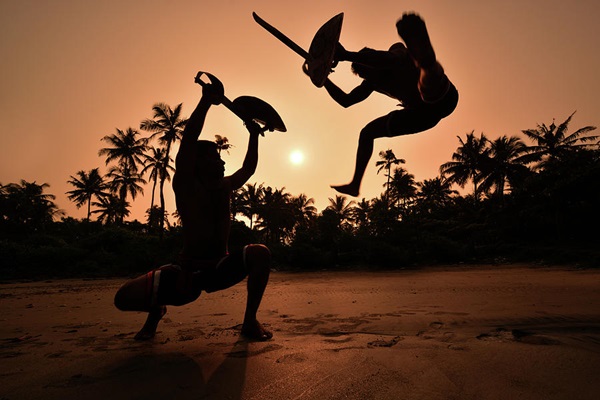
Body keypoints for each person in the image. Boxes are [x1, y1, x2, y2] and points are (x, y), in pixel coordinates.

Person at [114, 75, 273, 342]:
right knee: (122, 298)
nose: (222, 163)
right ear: (198, 162)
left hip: (219, 268)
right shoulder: (187, 184)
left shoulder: (224, 186)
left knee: (260, 254)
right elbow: (188, 141)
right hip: (186, 271)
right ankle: (156, 311)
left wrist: (254, 135)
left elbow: (248, 169)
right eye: (215, 158)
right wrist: (206, 103)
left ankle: (249, 322)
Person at [323, 12, 459, 197]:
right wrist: (324, 79)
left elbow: (387, 60)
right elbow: (346, 100)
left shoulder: (396, 52)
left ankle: (426, 64)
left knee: (427, 82)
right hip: (420, 116)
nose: (372, 75)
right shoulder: (371, 82)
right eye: (367, 75)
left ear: (372, 54)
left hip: (443, 96)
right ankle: (355, 184)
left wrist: (347, 55)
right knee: (367, 133)